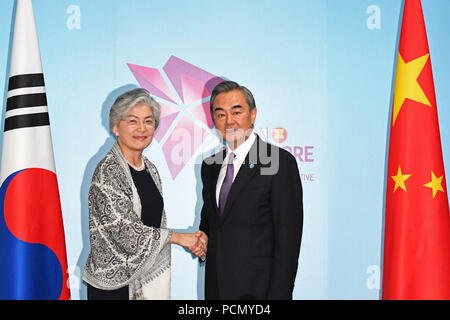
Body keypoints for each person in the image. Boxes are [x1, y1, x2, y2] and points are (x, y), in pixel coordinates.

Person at [82, 88, 205, 300]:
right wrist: (179, 238)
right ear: (115, 126)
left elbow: (154, 222)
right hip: (114, 288)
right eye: (132, 121)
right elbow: (124, 231)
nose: (141, 128)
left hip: (145, 279)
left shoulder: (150, 168)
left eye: (148, 121)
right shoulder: (107, 171)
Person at [197, 81, 303, 300]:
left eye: (237, 112)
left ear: (253, 115)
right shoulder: (210, 166)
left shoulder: (280, 162)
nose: (229, 121)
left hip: (259, 293)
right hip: (216, 290)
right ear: (213, 120)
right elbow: (211, 225)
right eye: (221, 114)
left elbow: (288, 240)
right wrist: (200, 241)